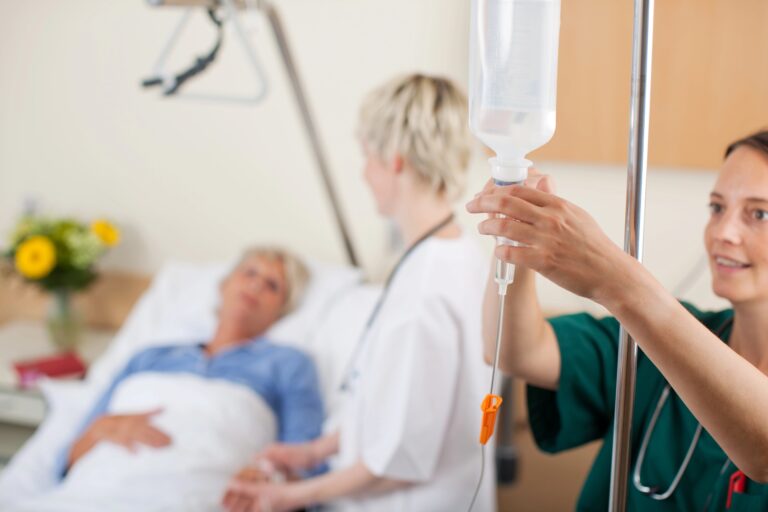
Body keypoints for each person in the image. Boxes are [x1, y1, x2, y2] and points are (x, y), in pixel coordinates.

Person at [223, 74, 494, 512]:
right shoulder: (454, 254)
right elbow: (392, 415)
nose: (364, 171)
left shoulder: (425, 292)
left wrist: (286, 496)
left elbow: (394, 465)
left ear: (396, 159)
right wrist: (313, 452)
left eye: (367, 155)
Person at [465, 130, 768, 510]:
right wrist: (515, 235)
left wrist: (617, 280)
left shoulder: (657, 323)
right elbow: (517, 351)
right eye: (717, 208)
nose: (724, 233)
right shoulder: (654, 344)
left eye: (759, 214)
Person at [7, 247, 324, 512]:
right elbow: (65, 464)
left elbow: (308, 461)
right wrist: (101, 430)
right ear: (224, 284)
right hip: (92, 492)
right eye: (249, 273)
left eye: (272, 286)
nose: (255, 286)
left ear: (282, 310)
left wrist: (272, 478)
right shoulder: (149, 356)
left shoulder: (288, 364)